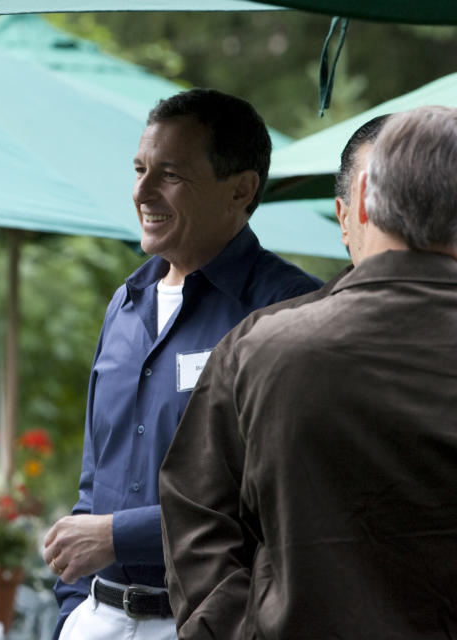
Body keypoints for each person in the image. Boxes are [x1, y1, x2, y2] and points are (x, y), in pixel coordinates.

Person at [159, 105, 457, 639]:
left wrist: (233, 630)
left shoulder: (261, 349)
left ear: (360, 201)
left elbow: (193, 511)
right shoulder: (261, 346)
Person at [41, 88, 322, 640]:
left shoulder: (288, 309)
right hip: (96, 618)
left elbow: (281, 499)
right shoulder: (125, 303)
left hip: (206, 623)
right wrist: (73, 610)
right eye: (140, 169)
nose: (141, 192)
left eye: (169, 174)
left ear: (241, 189)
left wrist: (121, 537)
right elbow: (95, 479)